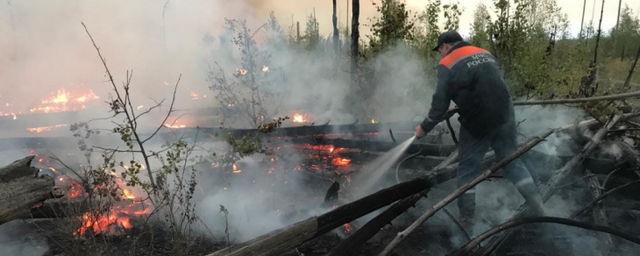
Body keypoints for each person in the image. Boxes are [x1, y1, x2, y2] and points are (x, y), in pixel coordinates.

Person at [414, 31, 546, 225]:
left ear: (446, 45)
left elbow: (440, 103)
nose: (440, 54)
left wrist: (424, 127)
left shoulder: (447, 63)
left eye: (440, 50)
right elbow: (488, 85)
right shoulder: (484, 53)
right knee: (511, 161)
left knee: (468, 169)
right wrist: (463, 100)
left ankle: (467, 224)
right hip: (505, 114)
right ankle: (539, 207)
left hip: (478, 119)